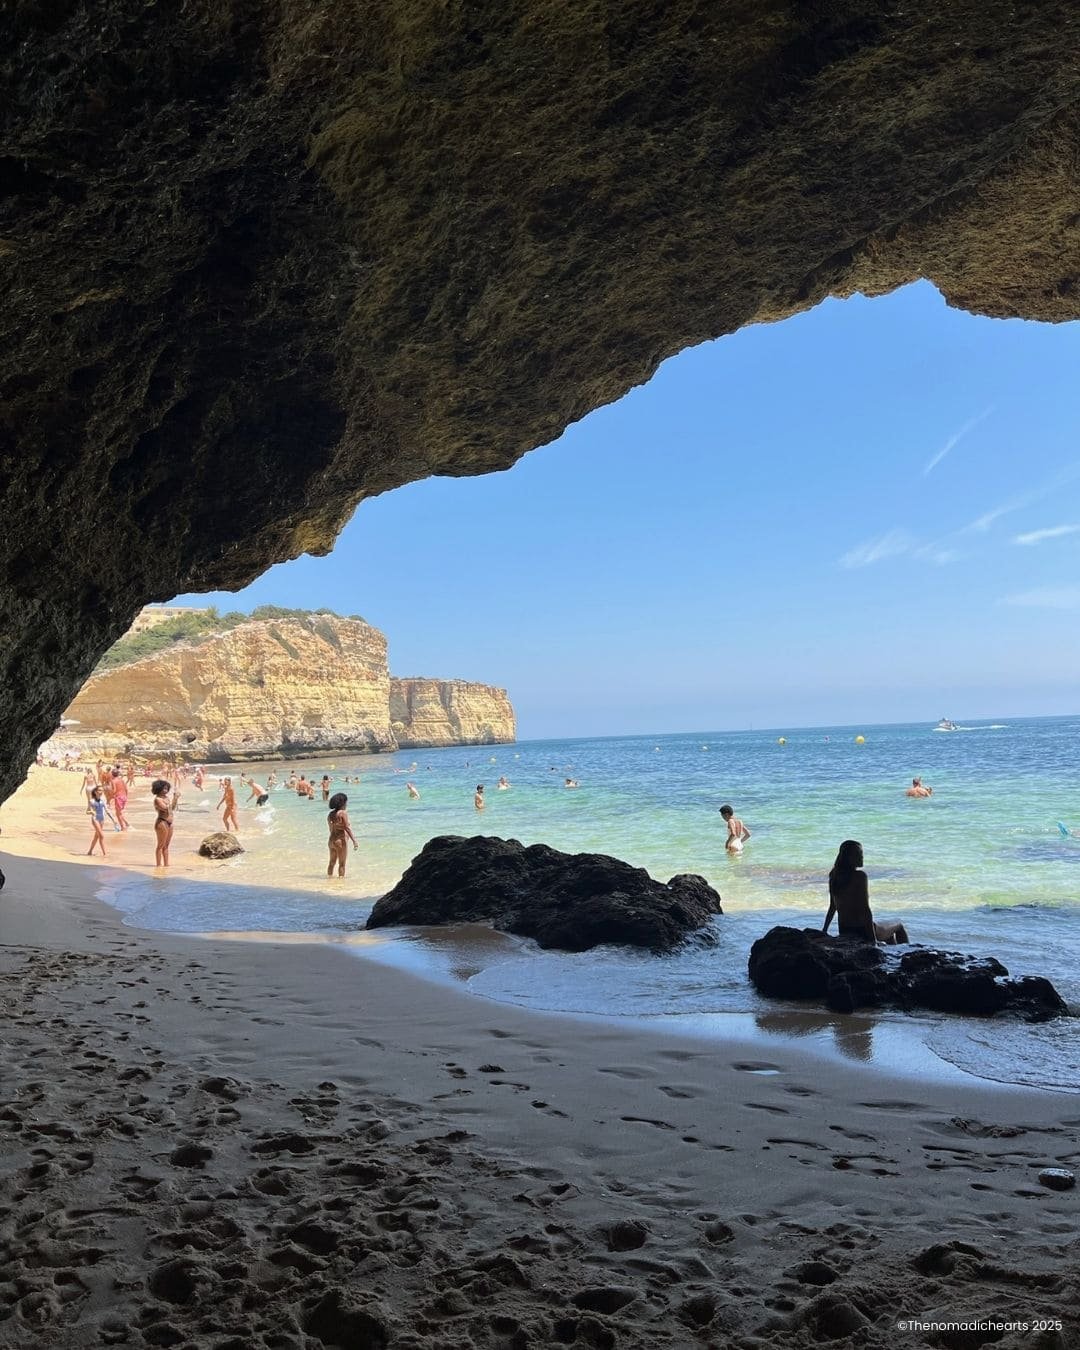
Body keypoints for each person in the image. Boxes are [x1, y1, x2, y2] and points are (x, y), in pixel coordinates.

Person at [823, 840, 908, 944]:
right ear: (848, 857)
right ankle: (906, 954)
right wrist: (873, 940)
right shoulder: (860, 876)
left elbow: (832, 907)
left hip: (845, 930)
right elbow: (865, 909)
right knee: (899, 925)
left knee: (888, 937)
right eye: (858, 854)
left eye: (861, 854)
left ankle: (891, 956)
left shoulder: (834, 876)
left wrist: (824, 930)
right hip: (862, 931)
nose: (862, 857)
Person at [326, 791, 358, 878]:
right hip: (340, 841)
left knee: (332, 862)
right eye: (346, 802)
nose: (346, 804)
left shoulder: (330, 814)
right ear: (342, 803)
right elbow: (347, 828)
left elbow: (330, 828)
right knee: (342, 864)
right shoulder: (343, 813)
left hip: (331, 840)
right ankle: (340, 883)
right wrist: (354, 841)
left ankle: (329, 879)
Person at [86, 787, 115, 855]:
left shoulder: (103, 801)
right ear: (95, 792)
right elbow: (87, 811)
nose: (101, 791)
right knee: (101, 836)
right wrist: (91, 812)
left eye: (102, 790)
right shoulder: (91, 801)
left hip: (102, 819)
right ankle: (105, 853)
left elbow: (107, 811)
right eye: (99, 790)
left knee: (96, 837)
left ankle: (90, 851)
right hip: (95, 819)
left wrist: (113, 820)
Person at [152, 779, 173, 867]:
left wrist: (175, 798)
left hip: (170, 823)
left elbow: (172, 808)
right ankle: (158, 865)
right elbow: (165, 808)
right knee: (160, 845)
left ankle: (166, 865)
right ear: (159, 789)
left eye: (167, 788)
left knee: (166, 846)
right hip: (162, 822)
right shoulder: (158, 799)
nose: (166, 790)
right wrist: (171, 803)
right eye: (164, 788)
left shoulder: (166, 798)